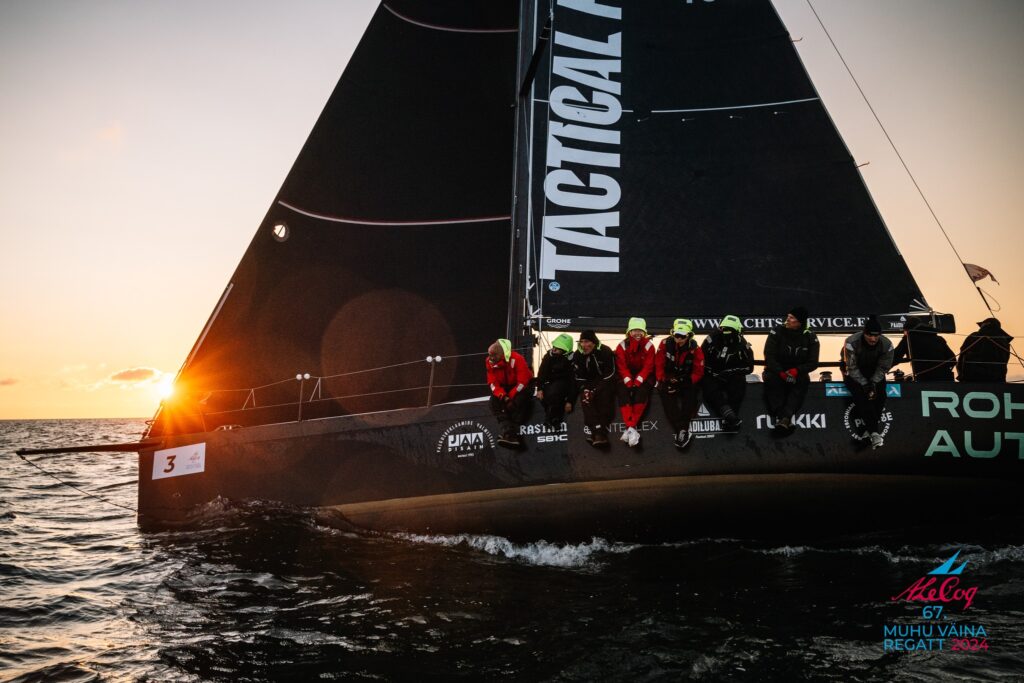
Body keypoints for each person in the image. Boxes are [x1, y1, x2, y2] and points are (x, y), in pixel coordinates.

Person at [763, 306, 819, 435]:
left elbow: (813, 363)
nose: (787, 319)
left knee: (802, 381)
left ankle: (784, 419)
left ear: (800, 322)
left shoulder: (810, 336)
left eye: (792, 317)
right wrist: (781, 373)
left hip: (797, 372)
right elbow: (769, 356)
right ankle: (784, 418)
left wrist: (796, 371)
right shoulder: (777, 331)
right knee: (771, 379)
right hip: (776, 370)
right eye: (788, 316)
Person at [840, 316, 894, 448]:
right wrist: (864, 384)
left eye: (876, 336)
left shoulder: (887, 345)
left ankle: (867, 432)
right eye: (870, 335)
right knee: (861, 397)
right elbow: (851, 367)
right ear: (864, 333)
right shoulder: (851, 342)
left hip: (874, 371)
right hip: (852, 371)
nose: (873, 339)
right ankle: (874, 433)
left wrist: (873, 383)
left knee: (881, 396)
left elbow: (883, 367)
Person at [656, 318, 705, 449]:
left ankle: (682, 430)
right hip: (668, 378)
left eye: (682, 336)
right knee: (665, 394)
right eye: (676, 335)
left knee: (691, 396)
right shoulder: (664, 344)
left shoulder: (696, 349)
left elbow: (698, 373)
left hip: (686, 380)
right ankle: (682, 430)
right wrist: (664, 379)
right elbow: (658, 364)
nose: (678, 339)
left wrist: (681, 383)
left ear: (689, 336)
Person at [701, 314, 754, 431]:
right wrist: (711, 371)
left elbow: (749, 368)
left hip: (731, 375)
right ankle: (729, 415)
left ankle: (731, 419)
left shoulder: (742, 344)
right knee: (708, 386)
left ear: (738, 331)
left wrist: (730, 372)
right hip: (712, 374)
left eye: (729, 330)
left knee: (739, 384)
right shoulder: (710, 339)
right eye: (723, 329)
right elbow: (701, 360)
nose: (725, 332)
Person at [485, 338, 533, 448]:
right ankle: (510, 434)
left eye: (494, 355)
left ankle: (511, 435)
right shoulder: (488, 361)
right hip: (505, 389)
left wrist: (510, 397)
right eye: (489, 354)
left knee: (517, 402)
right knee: (493, 403)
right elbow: (492, 383)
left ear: (502, 354)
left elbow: (523, 382)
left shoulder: (517, 359)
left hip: (522, 386)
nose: (491, 358)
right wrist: (503, 396)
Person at [572, 329, 617, 447]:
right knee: (585, 398)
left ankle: (599, 435)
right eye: (582, 342)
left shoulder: (605, 351)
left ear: (594, 342)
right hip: (589, 383)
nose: (584, 345)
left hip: (606, 382)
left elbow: (611, 373)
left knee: (604, 397)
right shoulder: (577, 355)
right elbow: (579, 377)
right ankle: (597, 433)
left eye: (587, 342)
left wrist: (596, 390)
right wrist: (585, 389)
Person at [615, 317, 656, 448]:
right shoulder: (621, 346)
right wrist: (629, 382)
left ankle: (630, 428)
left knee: (641, 394)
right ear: (629, 332)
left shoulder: (649, 346)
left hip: (644, 377)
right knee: (623, 393)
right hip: (626, 377)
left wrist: (637, 382)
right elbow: (621, 366)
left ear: (644, 332)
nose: (638, 333)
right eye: (634, 330)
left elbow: (648, 366)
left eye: (640, 331)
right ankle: (631, 428)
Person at [535, 333, 577, 428]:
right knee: (544, 396)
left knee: (555, 391)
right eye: (554, 347)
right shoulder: (548, 356)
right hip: (549, 384)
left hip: (564, 385)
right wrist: (539, 388)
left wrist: (570, 401)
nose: (554, 349)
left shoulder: (572, 360)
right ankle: (552, 419)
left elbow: (573, 381)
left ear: (565, 350)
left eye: (557, 348)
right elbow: (542, 373)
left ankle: (552, 419)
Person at [957, 317, 1014, 382]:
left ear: (985, 325)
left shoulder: (974, 336)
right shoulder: (1004, 341)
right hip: (998, 379)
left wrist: (961, 376)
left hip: (972, 377)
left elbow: (962, 355)